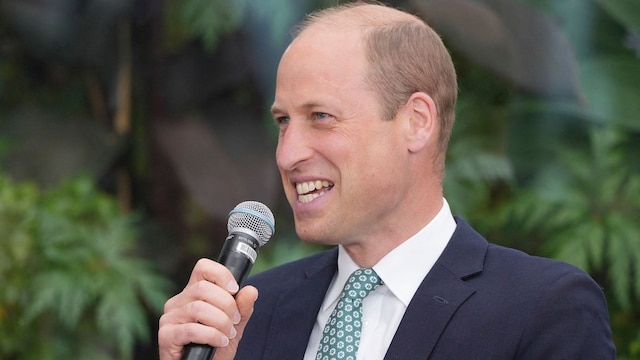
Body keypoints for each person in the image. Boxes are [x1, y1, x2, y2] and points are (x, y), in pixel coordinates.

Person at [158, 2, 616, 359]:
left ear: (416, 122)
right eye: (282, 122)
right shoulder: (250, 314)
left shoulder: (542, 309)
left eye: (321, 117)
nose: (288, 153)